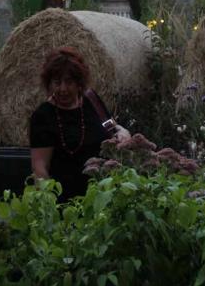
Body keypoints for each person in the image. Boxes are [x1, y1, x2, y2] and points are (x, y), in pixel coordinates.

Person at [30, 47, 130, 201]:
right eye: (57, 82)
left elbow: (111, 126)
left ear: (79, 83)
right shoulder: (43, 116)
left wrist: (122, 131)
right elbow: (39, 166)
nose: (63, 89)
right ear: (49, 84)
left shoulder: (92, 100)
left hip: (103, 197)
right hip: (65, 203)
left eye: (69, 82)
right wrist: (48, 203)